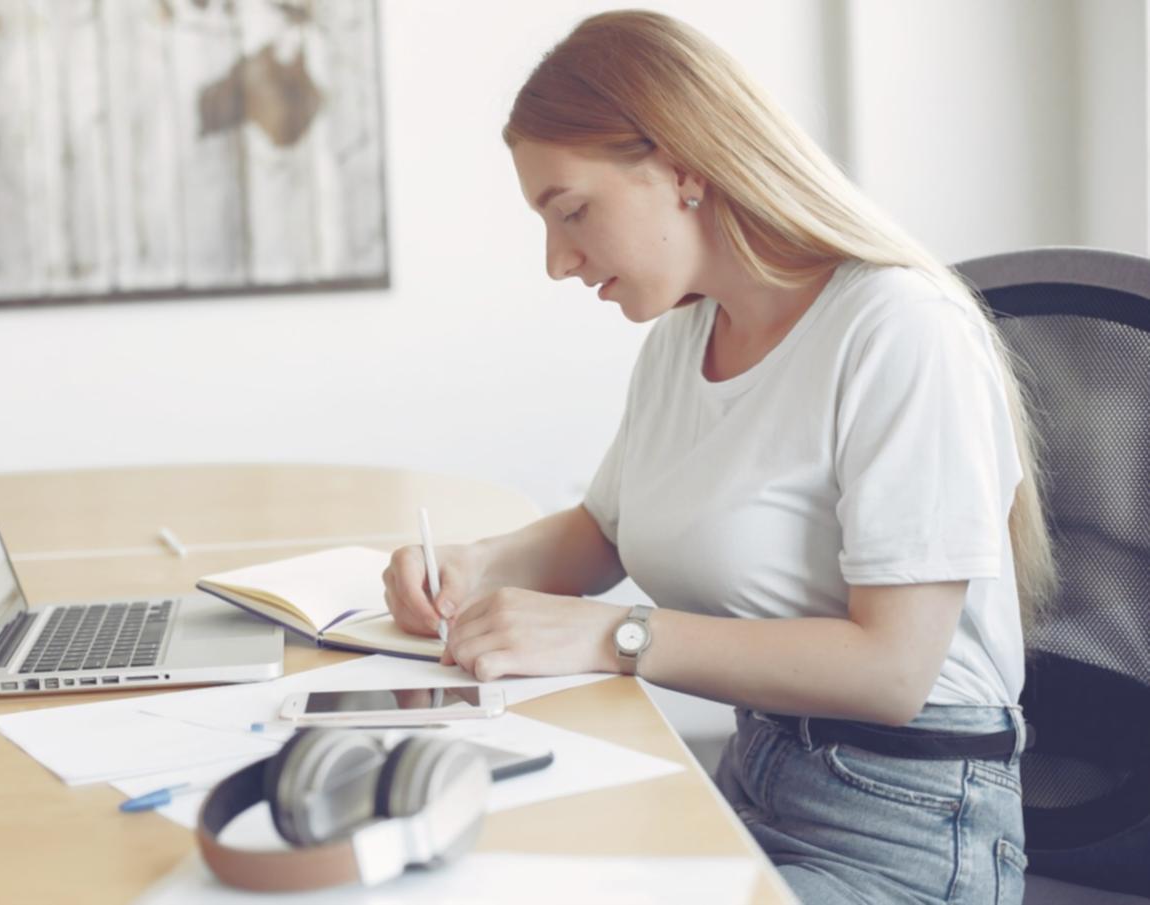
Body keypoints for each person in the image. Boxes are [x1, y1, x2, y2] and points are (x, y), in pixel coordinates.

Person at [381, 10, 1054, 904]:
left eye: (572, 210)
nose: (556, 260)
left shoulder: (899, 329)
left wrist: (618, 636)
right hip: (754, 779)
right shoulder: (685, 336)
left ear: (684, 167)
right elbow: (603, 531)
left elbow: (894, 671)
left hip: (906, 828)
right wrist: (471, 564)